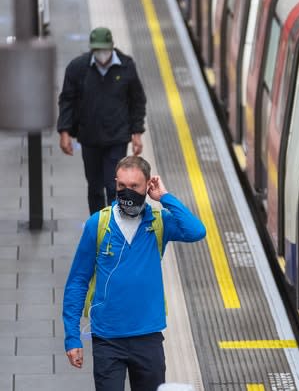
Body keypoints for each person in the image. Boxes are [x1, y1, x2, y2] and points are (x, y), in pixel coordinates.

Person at [62, 156, 206, 391]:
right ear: (115, 183)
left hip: (147, 336)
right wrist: (72, 336)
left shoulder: (159, 223)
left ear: (148, 185)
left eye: (135, 187)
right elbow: (77, 281)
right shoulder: (98, 224)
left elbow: (196, 231)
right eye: (122, 187)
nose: (127, 193)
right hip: (107, 338)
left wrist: (165, 197)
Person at [57, 26, 147, 214]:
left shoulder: (126, 66)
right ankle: (98, 225)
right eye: (97, 50)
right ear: (91, 49)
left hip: (117, 138)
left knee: (114, 185)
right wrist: (64, 132)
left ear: (112, 47)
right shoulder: (77, 68)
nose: (102, 54)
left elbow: (137, 100)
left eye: (104, 50)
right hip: (90, 138)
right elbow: (67, 99)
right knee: (95, 187)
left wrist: (137, 133)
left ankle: (117, 224)